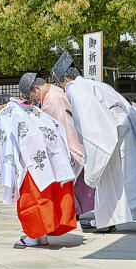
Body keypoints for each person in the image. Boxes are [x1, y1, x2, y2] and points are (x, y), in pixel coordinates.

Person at [53, 56, 136, 233]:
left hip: (109, 136)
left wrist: (92, 150)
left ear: (64, 79)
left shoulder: (76, 90)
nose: (62, 89)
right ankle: (112, 218)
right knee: (121, 180)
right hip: (122, 131)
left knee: (108, 180)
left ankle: (106, 220)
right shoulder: (95, 84)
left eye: (60, 84)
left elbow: (91, 124)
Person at [0, 94, 77, 248]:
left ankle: (34, 235)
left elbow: (7, 143)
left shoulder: (7, 112)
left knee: (31, 199)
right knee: (47, 195)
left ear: (0, 106)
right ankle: (42, 236)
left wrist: (9, 170)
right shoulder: (31, 108)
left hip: (28, 161)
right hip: (49, 158)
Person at [29, 66, 95, 216]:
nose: (33, 99)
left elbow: (58, 125)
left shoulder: (52, 98)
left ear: (36, 88)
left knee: (73, 182)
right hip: (76, 142)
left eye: (31, 95)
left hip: (69, 144)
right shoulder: (55, 92)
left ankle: (76, 210)